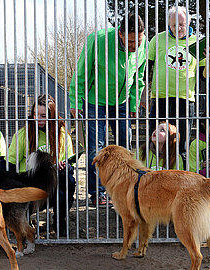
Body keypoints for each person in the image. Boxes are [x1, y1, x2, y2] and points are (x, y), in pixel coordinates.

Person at [69, 13, 147, 206]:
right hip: (96, 101)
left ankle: (125, 189)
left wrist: (134, 102)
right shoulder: (98, 40)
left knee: (124, 146)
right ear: (120, 34)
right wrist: (75, 101)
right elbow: (82, 71)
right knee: (97, 148)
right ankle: (98, 193)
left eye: (138, 41)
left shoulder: (143, 43)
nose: (134, 46)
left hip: (121, 102)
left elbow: (139, 76)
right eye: (130, 41)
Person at [146, 6, 210, 162]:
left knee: (182, 145)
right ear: (168, 24)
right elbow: (146, 69)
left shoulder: (198, 42)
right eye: (173, 25)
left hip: (185, 100)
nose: (177, 28)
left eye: (182, 24)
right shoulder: (157, 39)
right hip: (159, 98)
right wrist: (144, 94)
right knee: (155, 143)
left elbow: (206, 78)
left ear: (189, 22)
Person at [8, 94, 76, 236]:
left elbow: (70, 163)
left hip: (52, 185)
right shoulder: (23, 134)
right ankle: (22, 219)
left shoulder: (63, 135)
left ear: (52, 114)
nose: (38, 118)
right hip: (28, 185)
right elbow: (10, 163)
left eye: (43, 115)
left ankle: (60, 220)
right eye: (35, 114)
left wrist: (64, 166)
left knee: (68, 179)